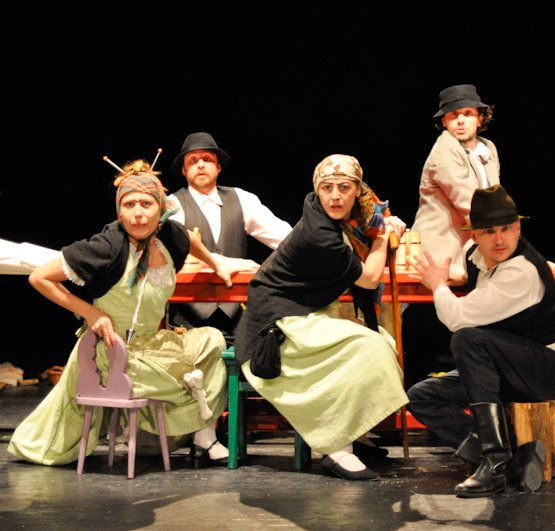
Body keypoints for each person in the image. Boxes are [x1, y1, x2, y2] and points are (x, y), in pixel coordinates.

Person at [9, 160, 240, 467]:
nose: (138, 213)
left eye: (146, 204)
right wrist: (90, 313)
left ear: (161, 209)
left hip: (151, 343)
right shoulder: (108, 245)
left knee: (213, 340)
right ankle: (184, 428)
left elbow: (192, 240)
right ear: (119, 212)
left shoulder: (170, 237)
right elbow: (39, 278)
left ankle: (201, 434)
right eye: (129, 205)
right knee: (181, 373)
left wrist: (216, 263)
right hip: (111, 349)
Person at [234, 154, 408, 481]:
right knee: (367, 347)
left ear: (357, 190)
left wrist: (386, 223)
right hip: (277, 322)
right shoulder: (319, 233)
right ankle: (336, 448)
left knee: (382, 341)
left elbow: (377, 216)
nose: (335, 196)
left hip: (305, 311)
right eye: (327, 188)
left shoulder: (352, 214)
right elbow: (370, 278)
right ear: (317, 190)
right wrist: (383, 236)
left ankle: (352, 430)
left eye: (344, 187)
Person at [407, 185, 555, 497]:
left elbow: (458, 317)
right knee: (422, 397)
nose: (499, 240)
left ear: (518, 229)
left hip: (549, 366)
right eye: (489, 231)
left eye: (507, 228)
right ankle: (510, 458)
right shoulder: (474, 255)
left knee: (467, 339)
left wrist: (438, 285)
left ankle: (495, 462)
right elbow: (479, 276)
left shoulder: (522, 272)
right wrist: (456, 277)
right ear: (474, 235)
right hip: (508, 364)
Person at [404, 84, 500, 387]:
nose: (460, 120)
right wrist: (512, 249)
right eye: (453, 115)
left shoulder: (487, 149)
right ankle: (424, 394)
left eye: (467, 113)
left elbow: (495, 200)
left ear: (480, 118)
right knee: (429, 330)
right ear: (443, 122)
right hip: (441, 252)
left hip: (472, 250)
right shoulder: (444, 151)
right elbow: (471, 205)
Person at [168, 132, 293, 338]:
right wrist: (232, 262)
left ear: (218, 167)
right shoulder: (172, 204)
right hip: (187, 315)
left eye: (207, 159)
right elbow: (177, 250)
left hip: (235, 312)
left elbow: (284, 237)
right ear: (184, 170)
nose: (200, 165)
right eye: (193, 160)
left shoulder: (242, 198)